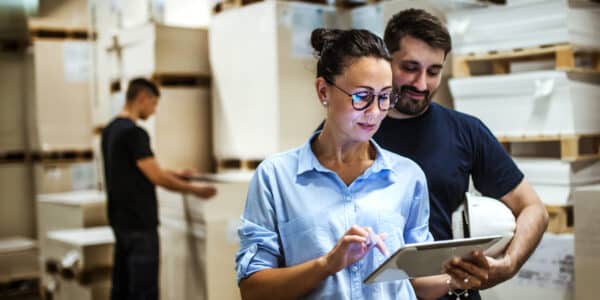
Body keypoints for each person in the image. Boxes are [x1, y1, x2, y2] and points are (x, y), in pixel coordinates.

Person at [235, 28, 486, 300]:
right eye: (362, 97)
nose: (375, 112)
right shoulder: (276, 177)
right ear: (323, 91)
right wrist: (327, 264)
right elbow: (253, 289)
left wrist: (457, 277)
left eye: (384, 97)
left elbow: (414, 282)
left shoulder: (407, 176)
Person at [373, 8, 549, 299]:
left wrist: (507, 264)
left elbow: (534, 209)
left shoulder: (466, 131)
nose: (421, 84)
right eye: (410, 67)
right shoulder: (355, 131)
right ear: (385, 60)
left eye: (433, 71)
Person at [101, 78, 217, 300]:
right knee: (144, 291)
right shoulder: (135, 133)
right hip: (140, 225)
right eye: (153, 104)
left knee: (122, 289)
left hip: (120, 222)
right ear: (142, 98)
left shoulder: (111, 130)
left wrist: (176, 173)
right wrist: (194, 190)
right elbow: (156, 177)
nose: (153, 111)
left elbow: (137, 169)